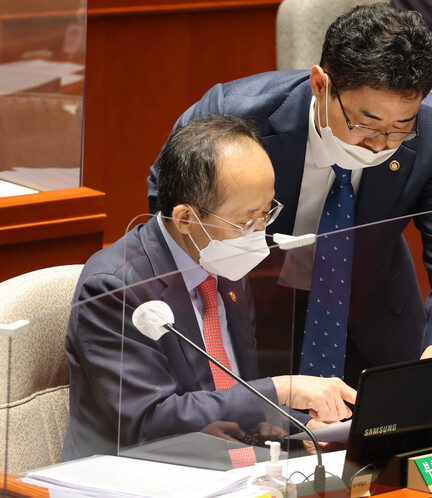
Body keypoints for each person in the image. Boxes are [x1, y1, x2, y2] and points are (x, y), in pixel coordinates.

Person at [146, 4, 432, 388]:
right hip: (248, 314)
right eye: (364, 124)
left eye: (400, 128)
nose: (379, 146)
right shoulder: (234, 116)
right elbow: (168, 205)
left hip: (375, 325)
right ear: (321, 85)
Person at [63, 115, 356, 461]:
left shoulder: (223, 263)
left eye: (267, 213)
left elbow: (233, 398)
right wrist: (282, 390)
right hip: (138, 474)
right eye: (247, 220)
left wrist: (302, 428)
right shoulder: (115, 288)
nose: (258, 233)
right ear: (186, 219)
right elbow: (150, 420)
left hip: (229, 468)